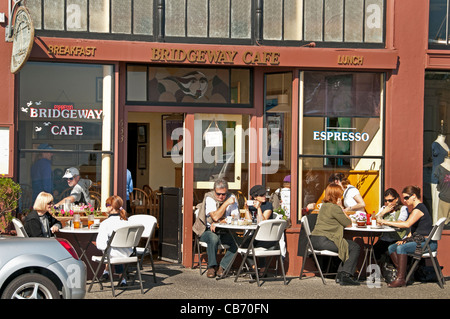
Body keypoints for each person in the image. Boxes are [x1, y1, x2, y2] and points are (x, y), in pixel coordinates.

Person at [378, 185, 434, 288]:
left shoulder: (419, 208)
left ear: (414, 196)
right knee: (392, 247)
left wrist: (383, 221)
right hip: (419, 240)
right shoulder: (415, 209)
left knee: (401, 247)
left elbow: (406, 224)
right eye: (403, 198)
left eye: (406, 197)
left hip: (427, 243)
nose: (404, 200)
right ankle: (405, 273)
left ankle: (400, 279)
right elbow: (412, 230)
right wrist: (406, 239)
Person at [310, 183, 361, 286]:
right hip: (324, 241)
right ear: (336, 196)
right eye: (340, 195)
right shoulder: (335, 208)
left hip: (314, 240)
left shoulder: (324, 206)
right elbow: (348, 224)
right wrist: (341, 208)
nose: (341, 197)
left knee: (346, 245)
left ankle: (340, 275)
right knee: (354, 247)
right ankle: (345, 275)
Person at [192, 178, 239, 278]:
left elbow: (235, 217)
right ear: (214, 191)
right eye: (218, 194)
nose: (221, 197)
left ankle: (222, 266)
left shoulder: (232, 197)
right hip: (206, 230)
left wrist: (218, 222)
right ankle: (212, 267)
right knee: (213, 238)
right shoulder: (209, 197)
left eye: (224, 194)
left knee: (238, 241)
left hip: (225, 231)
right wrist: (226, 204)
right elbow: (215, 216)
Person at [95, 195, 131, 286]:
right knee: (112, 247)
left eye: (107, 204)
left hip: (113, 254)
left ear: (111, 207)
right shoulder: (127, 222)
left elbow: (101, 245)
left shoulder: (105, 224)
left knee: (107, 247)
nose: (105, 206)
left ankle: (106, 272)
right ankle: (121, 278)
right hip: (127, 253)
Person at [373, 188, 409, 263]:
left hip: (398, 238)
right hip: (384, 238)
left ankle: (398, 271)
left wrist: (383, 221)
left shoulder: (402, 209)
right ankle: (379, 271)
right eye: (385, 201)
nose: (388, 203)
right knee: (373, 251)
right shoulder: (383, 209)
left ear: (396, 199)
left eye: (390, 200)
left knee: (390, 250)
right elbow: (374, 221)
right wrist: (382, 213)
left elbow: (399, 223)